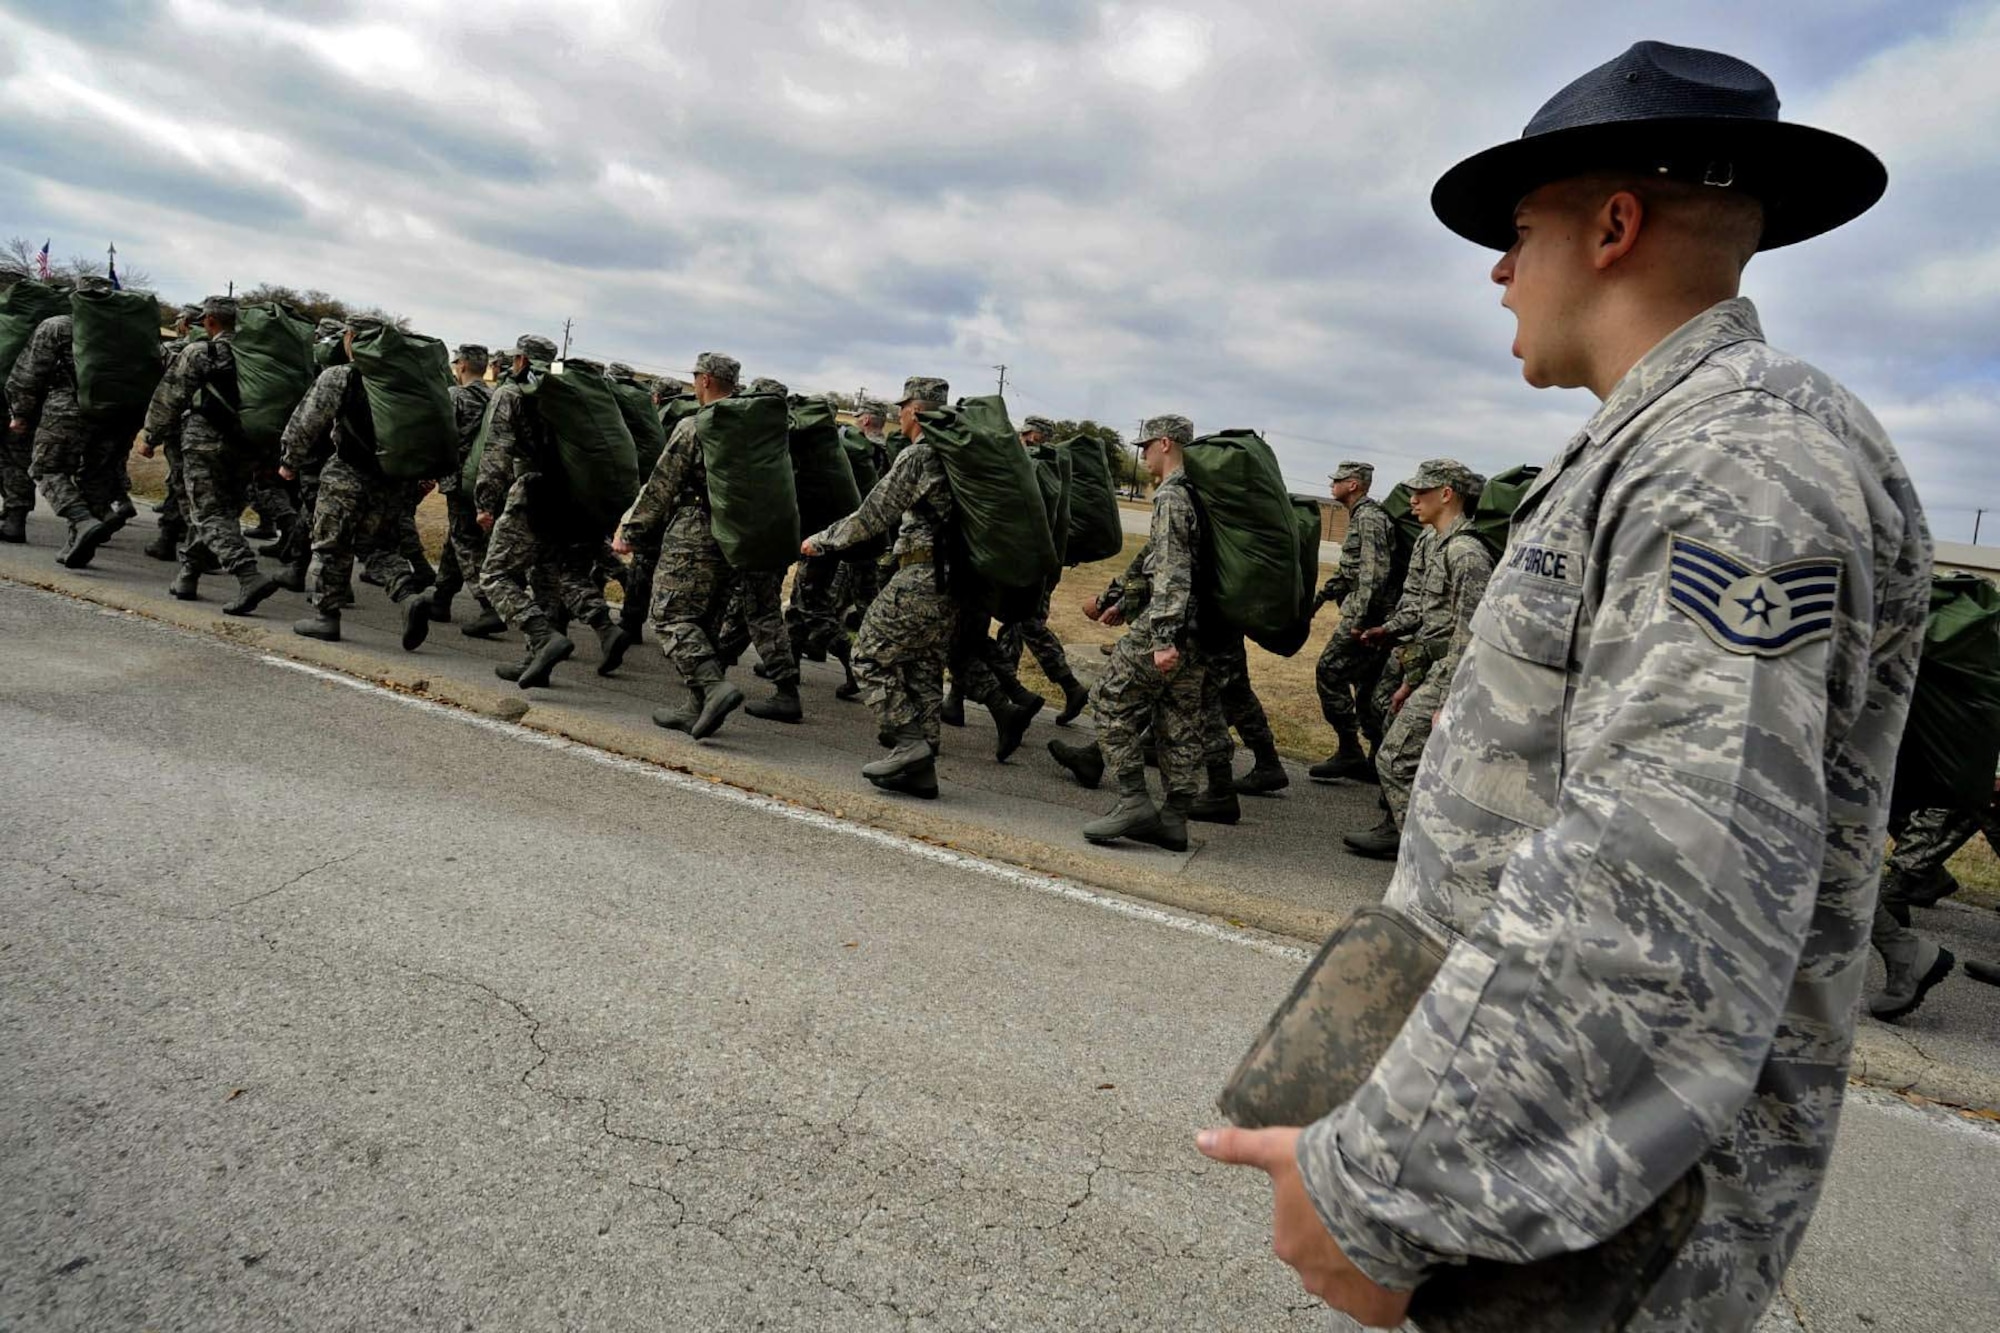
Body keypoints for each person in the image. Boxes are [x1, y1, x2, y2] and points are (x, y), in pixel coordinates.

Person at [1199, 42, 1927, 1332]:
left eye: (1517, 228)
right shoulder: (1654, 443)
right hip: (1546, 1202)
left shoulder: (1736, 462)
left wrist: (1386, 1193)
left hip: (1598, 1227)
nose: (1494, 267)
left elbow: (1657, 894)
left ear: (1611, 225)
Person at [800, 376, 959, 798]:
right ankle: (923, 773)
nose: (899, 415)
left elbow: (873, 515)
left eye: (904, 407)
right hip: (953, 581)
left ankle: (909, 743)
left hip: (921, 574)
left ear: (917, 411)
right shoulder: (960, 455)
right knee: (922, 668)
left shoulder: (919, 455)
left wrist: (821, 540)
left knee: (868, 655)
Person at [1342, 460, 1491, 860]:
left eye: (1421, 492)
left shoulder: (1466, 555)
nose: (1411, 499)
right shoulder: (1435, 543)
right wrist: (1406, 665)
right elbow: (1427, 617)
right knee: (1394, 734)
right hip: (1429, 665)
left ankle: (1421, 853)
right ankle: (1401, 831)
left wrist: (1449, 700)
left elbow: (1470, 637)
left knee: (1393, 758)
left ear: (1447, 494)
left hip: (1451, 674)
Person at [1069, 415, 1204, 851]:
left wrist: (1163, 637)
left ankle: (1133, 800)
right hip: (1201, 626)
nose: (1142, 453)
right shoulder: (1198, 493)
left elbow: (1171, 569)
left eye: (1146, 446)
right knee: (1178, 719)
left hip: (1170, 622)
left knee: (1108, 699)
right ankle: (1175, 819)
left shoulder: (1171, 496)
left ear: (1165, 444)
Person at [614, 352, 752, 741]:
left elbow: (662, 484)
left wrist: (630, 530)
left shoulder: (696, 426)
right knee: (706, 618)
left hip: (695, 530)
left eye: (696, 377)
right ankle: (695, 707)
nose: (693, 382)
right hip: (735, 536)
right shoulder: (752, 431)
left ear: (706, 381)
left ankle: (712, 688)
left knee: (670, 615)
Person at [476, 343, 631, 688]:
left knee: (495, 574)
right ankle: (538, 661)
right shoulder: (573, 394)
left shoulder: (514, 392)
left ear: (520, 360)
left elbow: (496, 452)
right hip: (578, 499)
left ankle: (541, 635)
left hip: (536, 494)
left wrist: (485, 503)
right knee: (547, 577)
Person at [278, 317, 433, 652]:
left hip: (346, 474)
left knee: (331, 544)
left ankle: (326, 617)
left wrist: (289, 462)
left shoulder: (342, 376)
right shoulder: (405, 382)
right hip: (392, 480)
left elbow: (306, 421)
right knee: (375, 546)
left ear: (352, 339)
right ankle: (407, 594)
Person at [137, 296, 283, 616]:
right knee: (223, 511)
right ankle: (188, 576)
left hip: (205, 444)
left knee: (208, 514)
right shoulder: (260, 356)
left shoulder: (202, 351)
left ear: (210, 321)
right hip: (249, 445)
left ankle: (248, 574)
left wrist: (151, 437)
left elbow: (170, 397)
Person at [6, 275, 129, 568]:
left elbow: (29, 373)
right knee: (95, 476)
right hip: (116, 413)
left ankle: (81, 521)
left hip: (67, 408)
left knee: (47, 468)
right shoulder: (127, 332)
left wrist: (20, 412)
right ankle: (78, 543)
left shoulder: (58, 326)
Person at [995, 414, 1092, 726]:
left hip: (1033, 566)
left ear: (1034, 437)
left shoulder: (1039, 468)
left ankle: (1070, 687)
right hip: (1047, 564)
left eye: (1025, 437)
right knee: (1014, 627)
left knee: (1028, 624)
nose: (1021, 441)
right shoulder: (1057, 468)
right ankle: (1008, 697)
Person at [1308, 461, 1397, 782]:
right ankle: (1377, 759)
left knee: (1329, 670)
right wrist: (1316, 601)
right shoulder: (1360, 516)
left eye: (1339, 480)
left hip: (1369, 618)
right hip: (1371, 616)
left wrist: (1359, 620)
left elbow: (1375, 573)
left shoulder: (1370, 518)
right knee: (1369, 688)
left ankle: (1350, 750)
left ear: (1355, 485)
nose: (1333, 484)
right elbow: (1350, 572)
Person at [427, 343, 505, 638]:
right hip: (488, 480)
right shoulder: (495, 396)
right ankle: (441, 598)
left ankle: (490, 605)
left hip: (460, 480)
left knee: (467, 543)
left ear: (460, 366)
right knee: (457, 538)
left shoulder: (455, 396)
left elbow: (443, 436)